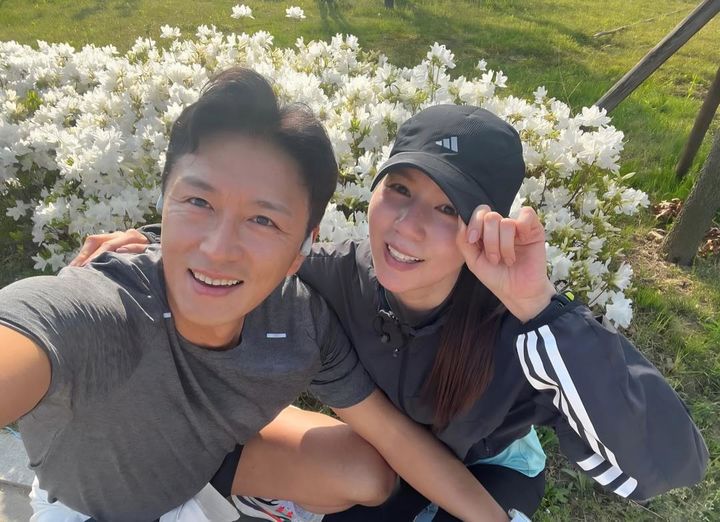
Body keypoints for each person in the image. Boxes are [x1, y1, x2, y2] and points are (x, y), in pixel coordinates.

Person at [72, 104, 709, 521]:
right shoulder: (338, 276)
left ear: (485, 224)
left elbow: (663, 463)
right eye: (399, 190)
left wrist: (537, 308)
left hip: (488, 471)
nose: (406, 226)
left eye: (447, 208)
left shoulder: (522, 326)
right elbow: (251, 257)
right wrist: (148, 246)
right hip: (379, 457)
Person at [0, 68, 513, 522]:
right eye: (198, 201)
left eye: (263, 220)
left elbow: (396, 440)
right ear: (164, 201)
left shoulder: (302, 319)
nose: (218, 250)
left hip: (197, 470)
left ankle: (228, 475)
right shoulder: (97, 307)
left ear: (302, 246)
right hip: (82, 503)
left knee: (369, 474)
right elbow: (28, 331)